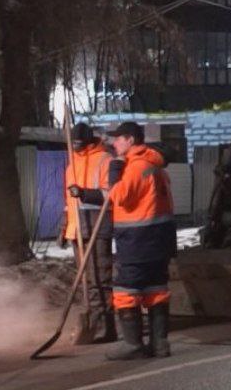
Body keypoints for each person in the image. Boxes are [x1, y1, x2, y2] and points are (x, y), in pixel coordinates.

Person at [69, 121, 176, 360]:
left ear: (130, 140)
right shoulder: (154, 165)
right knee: (156, 290)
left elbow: (120, 196)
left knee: (125, 290)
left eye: (118, 139)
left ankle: (133, 344)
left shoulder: (136, 167)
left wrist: (115, 170)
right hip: (158, 239)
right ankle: (160, 344)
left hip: (139, 240)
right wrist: (85, 193)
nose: (114, 143)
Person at [59, 122, 117, 345]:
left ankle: (105, 326)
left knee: (99, 278)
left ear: (88, 141)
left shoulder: (105, 160)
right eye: (73, 143)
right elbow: (69, 201)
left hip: (97, 226)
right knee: (86, 280)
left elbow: (110, 194)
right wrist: (64, 226)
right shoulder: (71, 164)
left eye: (79, 143)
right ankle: (92, 322)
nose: (75, 146)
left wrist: (84, 193)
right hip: (77, 229)